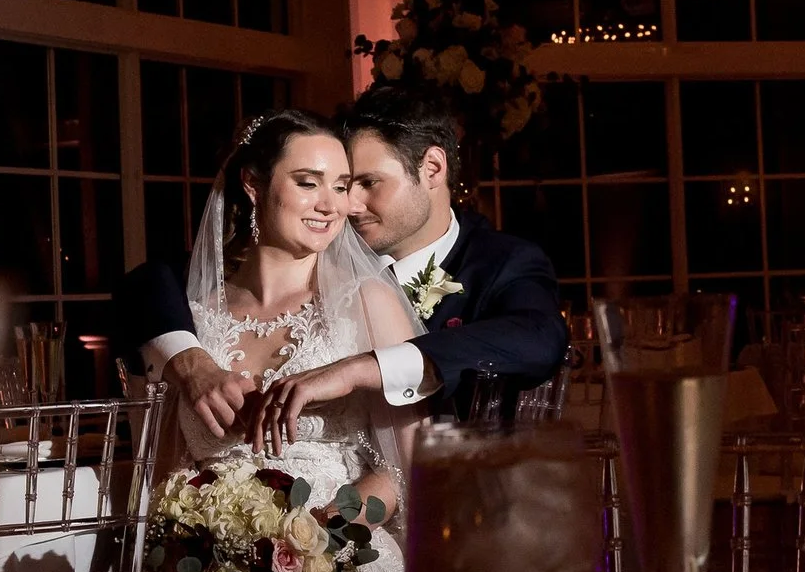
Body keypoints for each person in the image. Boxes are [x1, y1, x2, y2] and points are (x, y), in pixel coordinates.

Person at [132, 108, 426, 572]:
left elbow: (405, 471)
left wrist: (321, 538)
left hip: (340, 562)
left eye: (341, 186)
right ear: (254, 184)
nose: (331, 203)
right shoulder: (192, 323)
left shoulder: (367, 304)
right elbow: (162, 473)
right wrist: (190, 561)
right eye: (308, 181)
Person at [112, 84, 569, 443]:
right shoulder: (318, 252)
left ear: (432, 169)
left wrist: (357, 369)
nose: (347, 206)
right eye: (338, 184)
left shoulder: (502, 262)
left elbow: (540, 338)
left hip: (468, 505)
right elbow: (148, 284)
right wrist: (190, 360)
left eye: (366, 182)